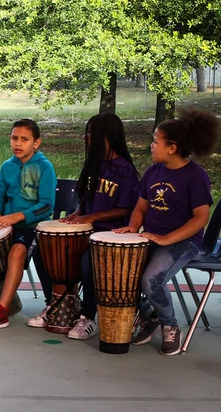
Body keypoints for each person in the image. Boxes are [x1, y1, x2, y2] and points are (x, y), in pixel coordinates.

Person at [116, 108, 217, 356]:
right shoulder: (152, 173)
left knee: (152, 280)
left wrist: (168, 238)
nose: (151, 146)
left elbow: (201, 218)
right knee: (119, 274)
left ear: (172, 147)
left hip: (184, 242)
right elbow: (140, 208)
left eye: (155, 141)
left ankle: (169, 325)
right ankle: (149, 314)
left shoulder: (195, 176)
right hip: (152, 237)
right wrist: (133, 226)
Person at [53, 113, 139, 340]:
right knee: (49, 253)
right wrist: (78, 214)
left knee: (87, 264)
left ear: (106, 135)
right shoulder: (94, 165)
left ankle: (87, 317)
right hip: (89, 231)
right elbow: (87, 199)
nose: (86, 137)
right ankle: (58, 307)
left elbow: (126, 208)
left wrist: (92, 217)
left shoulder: (124, 170)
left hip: (111, 234)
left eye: (90, 132)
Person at [0, 118, 56, 331]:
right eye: (14, 138)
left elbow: (47, 205)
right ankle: (7, 301)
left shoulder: (45, 168)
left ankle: (0, 309)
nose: (18, 143)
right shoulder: (7, 166)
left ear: (36, 143)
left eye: (24, 139)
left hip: (31, 226)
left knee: (17, 251)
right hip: (7, 224)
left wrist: (18, 216)